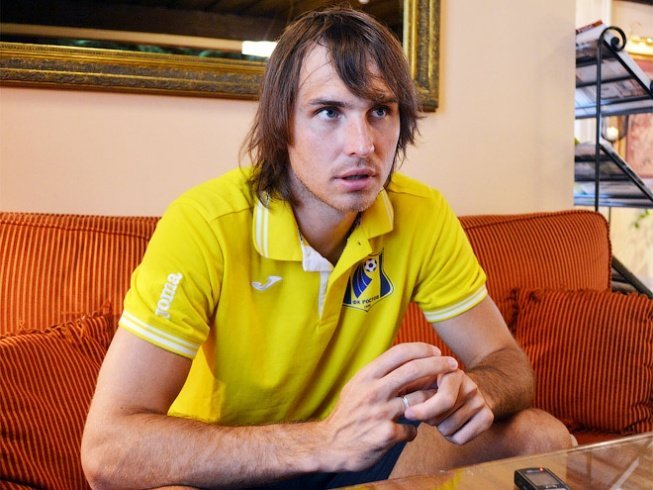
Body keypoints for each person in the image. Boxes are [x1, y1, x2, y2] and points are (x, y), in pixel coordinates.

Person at [81, 7, 572, 489]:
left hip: (360, 458)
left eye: (379, 111)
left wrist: (477, 392)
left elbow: (506, 360)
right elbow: (108, 451)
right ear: (282, 126)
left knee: (538, 435)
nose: (362, 145)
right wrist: (322, 440)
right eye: (329, 112)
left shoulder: (422, 213)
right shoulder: (204, 223)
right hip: (228, 466)